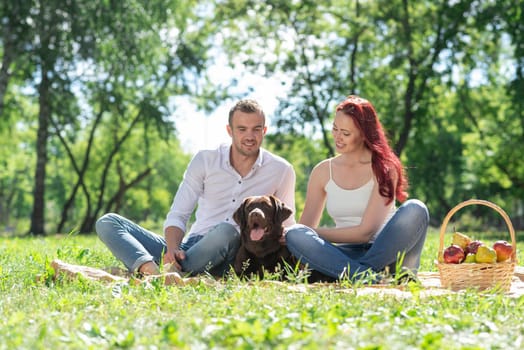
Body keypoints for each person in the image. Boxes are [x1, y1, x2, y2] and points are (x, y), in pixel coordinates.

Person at [96, 99, 296, 279]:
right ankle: (152, 270)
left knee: (227, 231)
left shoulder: (281, 170)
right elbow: (178, 214)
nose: (249, 136)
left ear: (264, 130)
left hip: (230, 250)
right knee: (108, 222)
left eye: (256, 129)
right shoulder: (206, 160)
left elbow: (287, 224)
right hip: (189, 249)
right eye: (242, 129)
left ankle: (172, 275)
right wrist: (173, 250)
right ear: (230, 130)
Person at [285, 95, 429, 283]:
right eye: (335, 129)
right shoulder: (322, 171)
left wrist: (316, 232)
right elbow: (303, 230)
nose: (337, 137)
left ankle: (353, 274)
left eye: (345, 133)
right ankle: (367, 276)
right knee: (294, 234)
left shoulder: (385, 168)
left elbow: (365, 232)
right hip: (344, 255)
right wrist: (300, 233)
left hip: (388, 253)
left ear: (363, 134)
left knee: (416, 208)